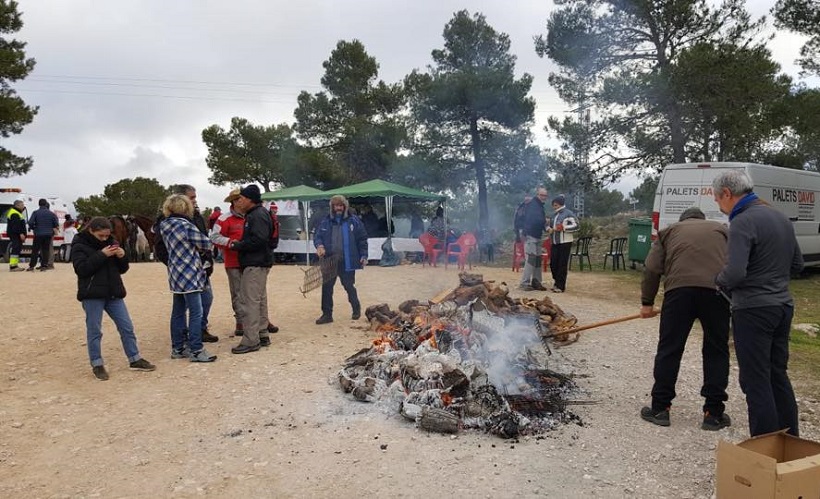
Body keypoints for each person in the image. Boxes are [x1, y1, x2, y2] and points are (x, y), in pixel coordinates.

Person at [713, 169, 804, 437]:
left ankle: (765, 446)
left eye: (718, 201)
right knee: (777, 374)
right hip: (783, 306)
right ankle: (791, 441)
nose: (719, 207)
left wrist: (718, 279)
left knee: (755, 380)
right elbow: (797, 265)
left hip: (753, 309)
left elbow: (736, 272)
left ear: (727, 194)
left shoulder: (742, 221)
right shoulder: (780, 216)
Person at [638, 207, 731, 431]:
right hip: (716, 293)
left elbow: (651, 268)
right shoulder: (722, 230)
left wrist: (647, 302)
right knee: (716, 349)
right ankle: (713, 413)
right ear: (702, 219)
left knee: (670, 348)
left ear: (683, 220)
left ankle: (660, 408)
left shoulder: (669, 231)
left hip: (679, 293)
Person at [71, 217, 156, 380]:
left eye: (106, 235)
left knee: (126, 326)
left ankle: (135, 358)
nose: (104, 238)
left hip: (113, 292)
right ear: (91, 230)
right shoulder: (79, 245)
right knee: (94, 330)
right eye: (101, 236)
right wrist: (101, 255)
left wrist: (122, 256)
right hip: (92, 295)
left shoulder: (112, 241)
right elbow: (82, 269)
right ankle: (97, 363)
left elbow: (122, 269)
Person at [158, 194, 217, 363]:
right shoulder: (186, 225)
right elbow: (205, 243)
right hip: (191, 273)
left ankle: (178, 347)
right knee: (196, 312)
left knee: (178, 312)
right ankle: (196, 349)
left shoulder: (165, 225)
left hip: (176, 273)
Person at [228, 184, 275, 354]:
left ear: (249, 199)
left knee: (249, 302)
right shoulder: (257, 214)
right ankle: (262, 334)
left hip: (255, 263)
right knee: (259, 300)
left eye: (241, 198)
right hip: (259, 262)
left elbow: (259, 240)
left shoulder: (257, 216)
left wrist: (238, 245)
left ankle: (250, 340)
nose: (238, 201)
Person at [169, 184, 218, 343]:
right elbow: (205, 242)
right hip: (190, 270)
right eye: (192, 198)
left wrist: (207, 260)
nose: (195, 201)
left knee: (203, 300)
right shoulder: (183, 222)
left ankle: (184, 341)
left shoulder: (194, 216)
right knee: (194, 308)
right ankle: (194, 343)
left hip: (196, 267)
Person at [314, 195, 368, 325]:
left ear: (345, 206)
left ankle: (356, 308)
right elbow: (318, 236)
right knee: (327, 288)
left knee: (348, 286)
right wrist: (319, 246)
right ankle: (327, 315)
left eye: (341, 205)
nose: (338, 208)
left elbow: (362, 239)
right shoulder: (325, 221)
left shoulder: (354, 221)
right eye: (336, 205)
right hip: (330, 260)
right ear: (332, 207)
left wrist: (364, 255)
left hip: (347, 260)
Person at [547, 195, 579, 293]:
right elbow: (549, 226)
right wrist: (548, 229)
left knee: (562, 264)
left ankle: (560, 286)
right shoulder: (553, 215)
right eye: (553, 205)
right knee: (553, 263)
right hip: (555, 242)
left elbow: (577, 225)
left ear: (561, 204)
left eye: (556, 205)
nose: (554, 207)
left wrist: (563, 227)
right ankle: (557, 281)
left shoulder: (569, 214)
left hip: (565, 242)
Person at [519, 187, 549, 291]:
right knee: (531, 259)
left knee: (537, 259)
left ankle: (536, 281)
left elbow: (540, 220)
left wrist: (545, 225)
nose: (544, 197)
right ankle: (524, 283)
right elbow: (535, 220)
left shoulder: (540, 206)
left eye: (545, 196)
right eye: (542, 195)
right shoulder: (533, 205)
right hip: (530, 235)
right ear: (537, 195)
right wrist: (545, 222)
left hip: (537, 235)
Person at [27, 198, 58, 271]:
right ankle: (44, 265)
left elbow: (30, 222)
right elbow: (55, 224)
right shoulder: (51, 214)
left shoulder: (35, 213)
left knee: (35, 250)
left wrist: (33, 228)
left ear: (39, 204)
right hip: (48, 234)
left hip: (38, 234)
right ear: (45, 204)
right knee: (46, 250)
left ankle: (32, 266)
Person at [5, 199, 26, 272]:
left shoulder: (16, 212)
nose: (23, 206)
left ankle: (15, 265)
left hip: (15, 234)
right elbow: (16, 226)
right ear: (17, 205)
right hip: (16, 234)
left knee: (17, 249)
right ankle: (13, 267)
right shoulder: (15, 213)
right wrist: (21, 233)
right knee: (15, 248)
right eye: (22, 205)